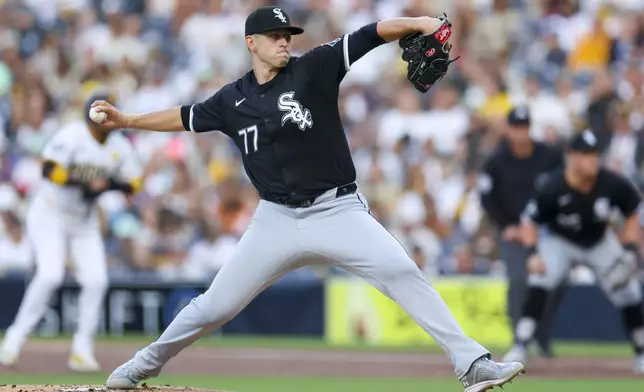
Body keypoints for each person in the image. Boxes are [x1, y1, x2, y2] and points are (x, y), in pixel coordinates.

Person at [96, 7, 524, 391]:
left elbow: (370, 33)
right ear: (252, 43)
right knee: (215, 306)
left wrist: (416, 23)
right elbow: (185, 116)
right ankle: (143, 364)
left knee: (400, 269)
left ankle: (472, 364)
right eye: (275, 35)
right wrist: (128, 119)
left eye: (288, 35)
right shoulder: (231, 100)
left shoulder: (314, 68)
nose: (284, 40)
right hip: (275, 219)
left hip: (337, 209)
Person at [0, 92, 143, 372]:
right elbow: (48, 168)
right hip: (50, 211)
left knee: (97, 281)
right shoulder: (74, 134)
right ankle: (13, 342)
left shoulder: (119, 146)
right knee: (50, 274)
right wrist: (85, 184)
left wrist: (108, 184)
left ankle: (81, 350)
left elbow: (134, 184)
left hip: (84, 219)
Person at [503, 129, 644, 375]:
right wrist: (533, 253)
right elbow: (530, 222)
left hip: (599, 240)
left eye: (595, 154)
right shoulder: (553, 185)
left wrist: (631, 249)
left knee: (629, 291)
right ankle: (521, 344)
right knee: (541, 277)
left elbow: (633, 212)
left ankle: (641, 350)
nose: (592, 160)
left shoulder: (611, 182)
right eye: (586, 154)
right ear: (572, 157)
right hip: (561, 240)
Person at [479, 105, 565, 357]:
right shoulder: (496, 161)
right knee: (518, 280)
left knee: (555, 282)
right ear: (509, 129)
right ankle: (520, 341)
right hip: (513, 232)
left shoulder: (549, 157)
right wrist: (508, 227)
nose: (520, 132)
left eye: (524, 127)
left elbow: (563, 188)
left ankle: (541, 336)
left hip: (546, 232)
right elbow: (487, 199)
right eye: (516, 127)